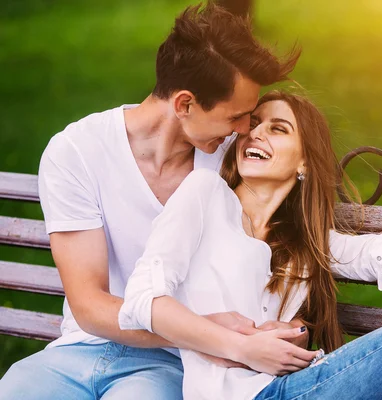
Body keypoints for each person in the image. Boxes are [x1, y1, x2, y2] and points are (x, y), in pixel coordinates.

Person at [118, 91, 382, 400]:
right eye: (253, 127)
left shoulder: (305, 243)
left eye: (278, 129)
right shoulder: (203, 194)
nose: (256, 136)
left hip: (310, 383)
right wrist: (240, 346)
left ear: (305, 160)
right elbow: (142, 299)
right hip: (260, 395)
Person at [0, 4, 303, 399]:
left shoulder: (235, 162)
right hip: (78, 351)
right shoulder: (77, 151)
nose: (246, 131)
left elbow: (289, 244)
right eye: (236, 118)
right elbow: (90, 305)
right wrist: (214, 332)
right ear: (184, 105)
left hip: (176, 361)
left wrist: (280, 328)